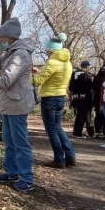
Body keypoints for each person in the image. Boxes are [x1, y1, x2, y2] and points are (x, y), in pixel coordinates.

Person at [0, 17, 36, 192]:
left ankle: (27, 178)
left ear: (9, 38)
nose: (0, 42)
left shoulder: (20, 55)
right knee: (9, 140)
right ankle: (12, 171)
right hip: (9, 102)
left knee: (20, 141)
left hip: (17, 103)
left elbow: (5, 81)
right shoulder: (10, 53)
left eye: (1, 39)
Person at [31, 33, 76, 169]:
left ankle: (58, 159)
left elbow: (37, 81)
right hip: (61, 97)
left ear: (51, 50)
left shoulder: (51, 62)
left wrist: (26, 75)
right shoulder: (67, 63)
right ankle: (70, 156)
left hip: (49, 98)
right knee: (58, 128)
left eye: (46, 50)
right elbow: (55, 76)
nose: (45, 52)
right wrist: (40, 71)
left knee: (51, 130)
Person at [69, 61, 94, 138]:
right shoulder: (87, 75)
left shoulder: (73, 74)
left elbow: (70, 88)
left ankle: (76, 132)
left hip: (76, 98)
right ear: (87, 67)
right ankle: (78, 133)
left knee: (79, 115)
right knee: (82, 116)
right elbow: (90, 87)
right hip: (84, 98)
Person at [92, 64, 105, 138]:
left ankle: (98, 131)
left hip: (97, 98)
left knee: (98, 114)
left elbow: (93, 88)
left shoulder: (97, 77)